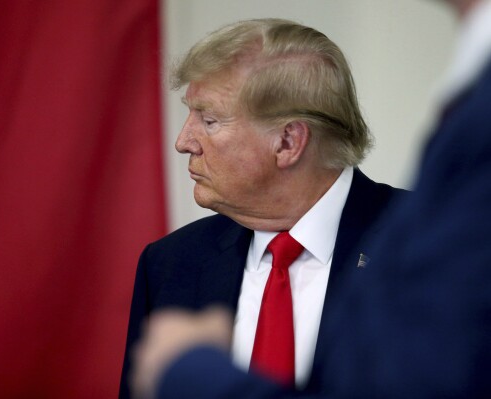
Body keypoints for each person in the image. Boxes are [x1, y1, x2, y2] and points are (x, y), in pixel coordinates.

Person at [130, 0, 491, 398]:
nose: (183, 142)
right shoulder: (168, 265)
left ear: (288, 142)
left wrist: (192, 372)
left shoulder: (425, 245)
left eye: (209, 120)